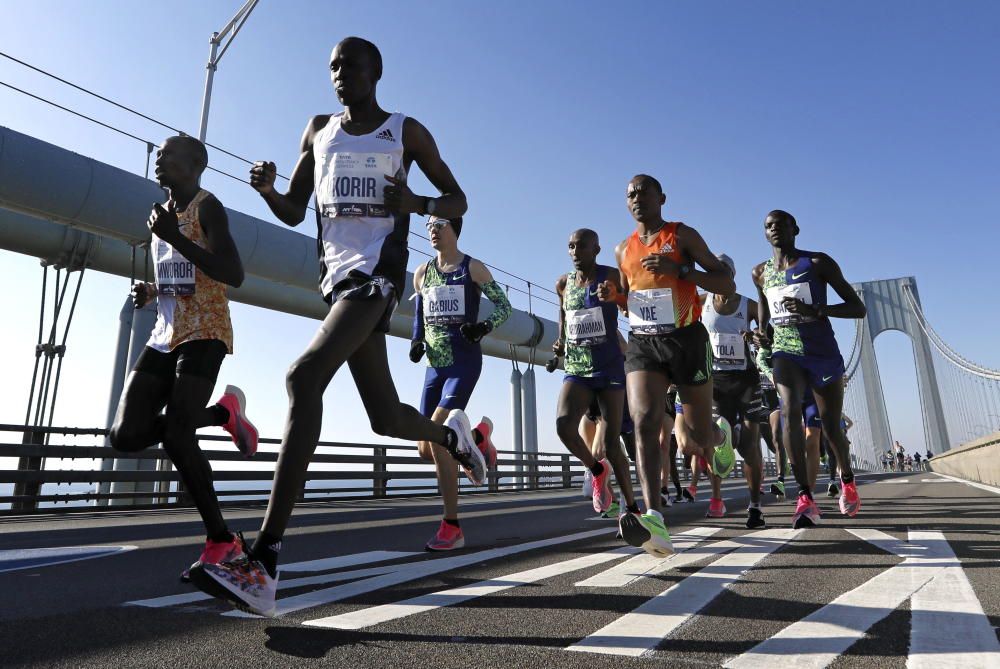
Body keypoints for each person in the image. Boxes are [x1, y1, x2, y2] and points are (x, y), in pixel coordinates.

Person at [190, 37, 478, 617]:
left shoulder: (405, 131)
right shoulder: (318, 130)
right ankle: (454, 438)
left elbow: (458, 200)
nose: (339, 73)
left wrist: (415, 204)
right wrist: (270, 190)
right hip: (338, 286)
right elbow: (297, 209)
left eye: (350, 64)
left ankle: (264, 560)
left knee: (302, 379)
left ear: (376, 71)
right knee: (385, 416)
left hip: (378, 281)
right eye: (332, 66)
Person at [110, 135, 259, 582]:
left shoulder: (207, 208)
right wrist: (152, 290)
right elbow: (182, 277)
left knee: (177, 434)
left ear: (197, 164)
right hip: (165, 334)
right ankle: (221, 414)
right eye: (158, 154)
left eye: (169, 154)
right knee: (124, 434)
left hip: (206, 331)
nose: (160, 158)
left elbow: (232, 273)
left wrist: (174, 236)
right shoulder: (159, 216)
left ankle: (222, 541)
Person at [599, 174, 736, 557]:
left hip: (687, 340)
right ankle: (654, 517)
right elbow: (633, 297)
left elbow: (725, 284)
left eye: (643, 192)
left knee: (695, 440)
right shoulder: (621, 250)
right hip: (644, 344)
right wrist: (615, 297)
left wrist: (683, 272)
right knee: (643, 421)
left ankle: (719, 434)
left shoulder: (683, 235)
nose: (636, 198)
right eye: (630, 194)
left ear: (662, 197)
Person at [751, 209, 866, 529]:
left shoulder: (817, 263)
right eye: (768, 226)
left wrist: (816, 310)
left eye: (781, 224)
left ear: (795, 229)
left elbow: (859, 308)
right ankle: (805, 497)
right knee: (789, 412)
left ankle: (846, 477)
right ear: (764, 233)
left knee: (831, 427)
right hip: (786, 355)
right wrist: (762, 334)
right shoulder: (759, 272)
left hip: (823, 356)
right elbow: (764, 319)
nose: (774, 229)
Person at [410, 215, 511, 550]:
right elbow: (420, 310)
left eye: (439, 225)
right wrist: (415, 339)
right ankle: (479, 439)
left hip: (464, 363)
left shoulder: (473, 268)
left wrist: (482, 328)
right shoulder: (422, 272)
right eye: (428, 226)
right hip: (433, 367)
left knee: (438, 440)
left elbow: (504, 306)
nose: (432, 231)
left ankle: (451, 526)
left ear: (455, 229)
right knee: (425, 449)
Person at [551, 229, 641, 521]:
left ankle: (632, 506)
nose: (575, 251)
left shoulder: (611, 275)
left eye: (581, 246)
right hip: (577, 368)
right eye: (570, 246)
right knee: (564, 426)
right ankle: (596, 469)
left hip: (609, 368)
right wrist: (561, 340)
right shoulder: (564, 284)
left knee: (612, 442)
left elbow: (632, 302)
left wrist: (616, 296)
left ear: (596, 249)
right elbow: (565, 315)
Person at [699, 253, 765, 528]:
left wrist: (758, 335)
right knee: (714, 441)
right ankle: (716, 498)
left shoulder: (747, 305)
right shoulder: (700, 300)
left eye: (725, 270)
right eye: (715, 269)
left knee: (750, 446)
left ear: (733, 275)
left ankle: (755, 506)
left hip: (746, 380)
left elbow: (766, 327)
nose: (720, 274)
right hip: (716, 382)